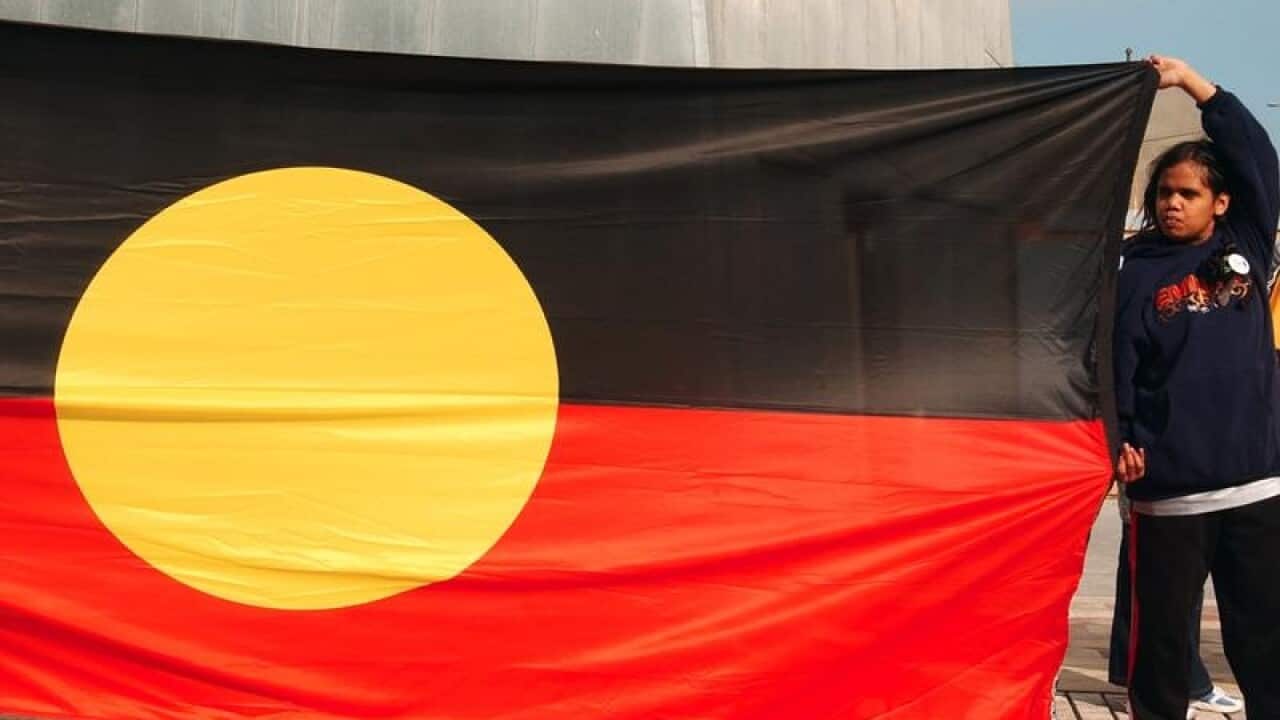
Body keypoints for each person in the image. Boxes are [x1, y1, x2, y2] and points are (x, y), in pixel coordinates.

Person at [1112, 55, 1280, 720]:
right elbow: (1118, 364)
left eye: (1187, 193)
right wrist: (1119, 440)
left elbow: (1256, 154)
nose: (1173, 204)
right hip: (1169, 499)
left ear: (1222, 201)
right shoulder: (1136, 271)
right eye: (1164, 194)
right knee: (1159, 649)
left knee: (1265, 637)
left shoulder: (1248, 244)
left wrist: (1192, 84)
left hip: (1257, 487)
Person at [1106, 493, 1243, 715]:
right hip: (1159, 493)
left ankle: (1174, 682)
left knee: (1174, 587)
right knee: (1162, 588)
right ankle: (1158, 686)